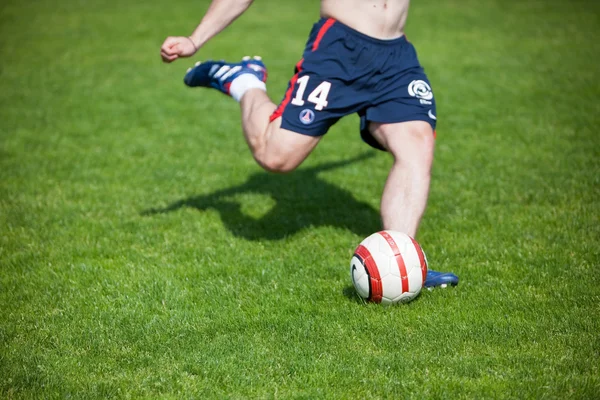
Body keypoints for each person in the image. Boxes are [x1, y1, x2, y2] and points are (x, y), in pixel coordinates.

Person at [160, 0, 459, 288]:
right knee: (275, 156)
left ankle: (402, 267)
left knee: (416, 146)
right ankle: (245, 82)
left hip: (395, 57)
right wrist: (194, 39)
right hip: (340, 50)